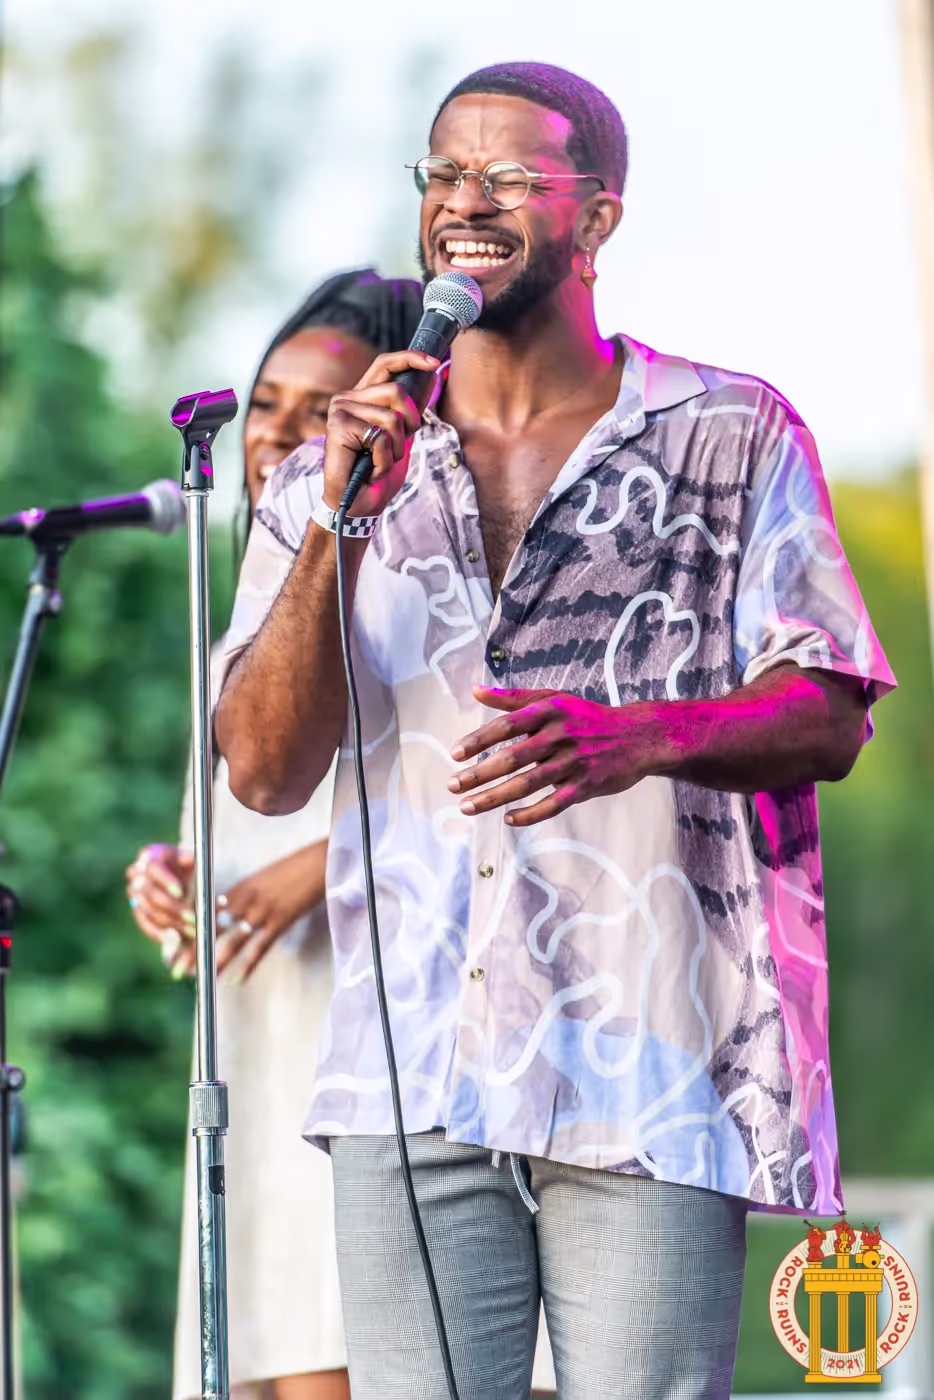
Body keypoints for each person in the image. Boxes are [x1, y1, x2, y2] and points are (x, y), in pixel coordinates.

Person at [213, 62, 895, 1400]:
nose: (467, 201)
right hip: (409, 1070)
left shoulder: (729, 432)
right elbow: (264, 768)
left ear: (598, 216)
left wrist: (641, 737)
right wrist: (342, 520)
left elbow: (826, 707)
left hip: (652, 1061)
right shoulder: (330, 469)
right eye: (445, 173)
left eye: (511, 176)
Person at [125, 269, 424, 1400]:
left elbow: (501, 817)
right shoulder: (236, 644)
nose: (278, 433)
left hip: (380, 1076)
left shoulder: (425, 600)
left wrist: (321, 867)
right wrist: (175, 880)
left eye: (320, 409)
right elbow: (224, 852)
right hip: (253, 1066)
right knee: (265, 1355)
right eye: (268, 402)